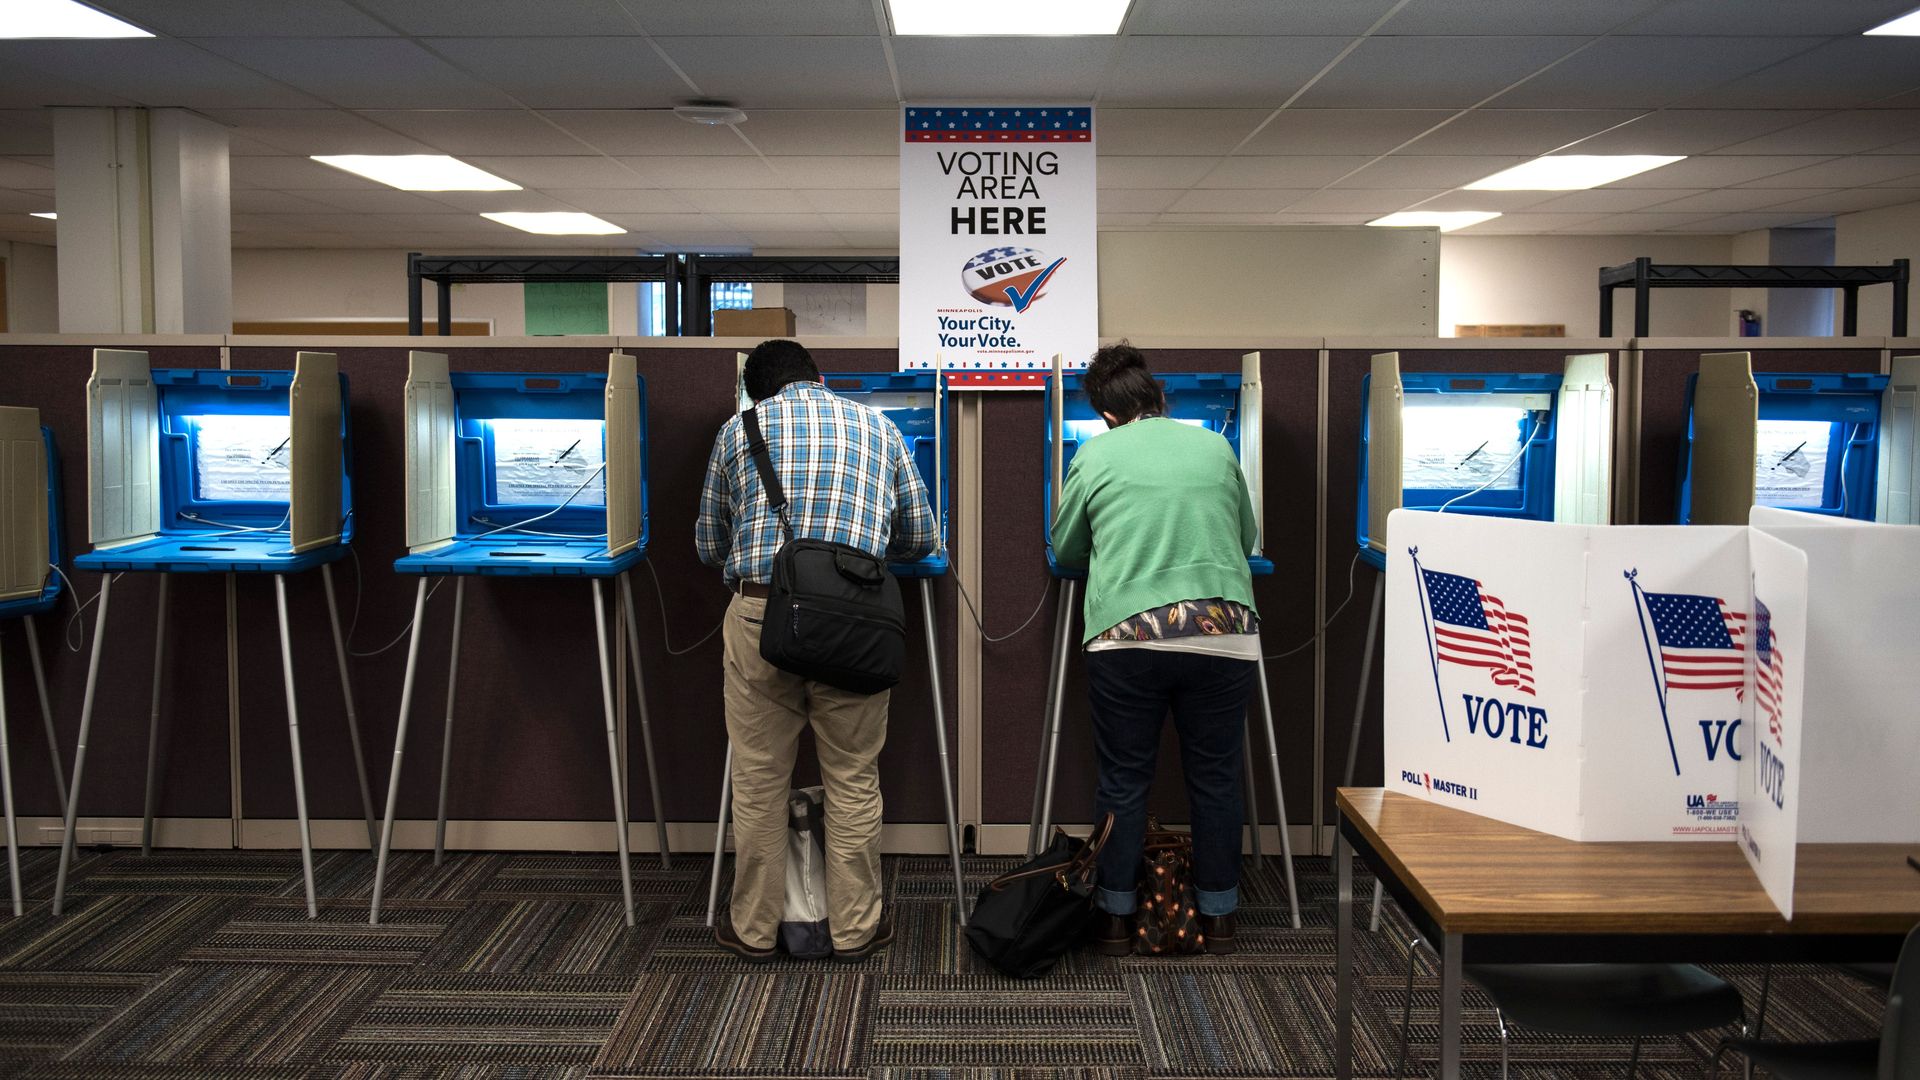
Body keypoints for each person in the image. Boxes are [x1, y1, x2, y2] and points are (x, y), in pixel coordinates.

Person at [696, 338, 938, 963]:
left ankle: (752, 929)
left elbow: (707, 543)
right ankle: (856, 929)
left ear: (755, 390)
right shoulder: (879, 427)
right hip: (855, 623)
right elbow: (920, 536)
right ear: (821, 378)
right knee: (854, 777)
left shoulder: (736, 429)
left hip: (760, 616)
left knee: (757, 780)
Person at [1051, 342, 1261, 957]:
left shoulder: (1096, 453)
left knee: (1124, 779)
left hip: (1129, 633)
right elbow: (1245, 537)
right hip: (1223, 627)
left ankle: (1115, 917)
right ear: (1158, 396)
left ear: (1107, 413)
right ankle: (1219, 915)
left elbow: (1067, 550)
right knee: (1216, 776)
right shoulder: (1216, 445)